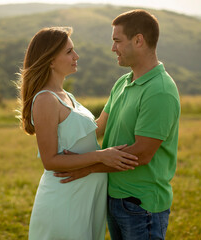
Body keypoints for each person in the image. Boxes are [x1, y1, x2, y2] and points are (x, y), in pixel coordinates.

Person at [55, 10, 181, 240]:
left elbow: (141, 155)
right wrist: (58, 124)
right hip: (115, 199)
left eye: (117, 41)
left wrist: (88, 167)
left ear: (138, 40)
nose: (113, 48)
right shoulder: (124, 82)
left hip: (142, 206)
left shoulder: (160, 91)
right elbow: (99, 127)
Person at [17, 27, 139, 240]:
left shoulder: (66, 95)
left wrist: (124, 93)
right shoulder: (46, 99)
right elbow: (50, 161)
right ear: (50, 60)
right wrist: (102, 156)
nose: (76, 56)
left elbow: (92, 131)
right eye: (68, 52)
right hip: (65, 197)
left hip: (86, 196)